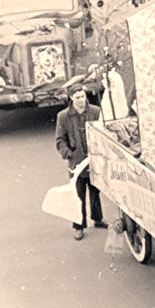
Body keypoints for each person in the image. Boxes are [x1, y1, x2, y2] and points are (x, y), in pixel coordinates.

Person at [55, 83, 107, 239]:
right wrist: (69, 154)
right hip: (76, 163)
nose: (81, 100)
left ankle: (98, 219)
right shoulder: (63, 116)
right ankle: (79, 226)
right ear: (71, 98)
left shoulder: (96, 112)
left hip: (94, 160)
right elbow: (59, 140)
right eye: (77, 97)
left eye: (83, 96)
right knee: (78, 195)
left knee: (95, 190)